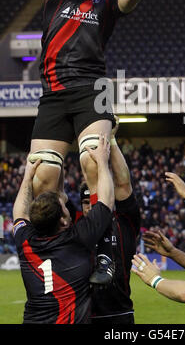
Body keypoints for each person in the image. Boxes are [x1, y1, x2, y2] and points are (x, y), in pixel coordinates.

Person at [28, 0, 168, 283]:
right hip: (53, 93)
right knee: (43, 175)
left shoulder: (105, 4)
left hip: (94, 89)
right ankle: (59, 250)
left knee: (93, 160)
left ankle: (104, 251)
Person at [13, 135, 114, 324]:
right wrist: (102, 161)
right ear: (63, 221)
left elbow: (19, 213)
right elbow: (106, 200)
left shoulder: (26, 242)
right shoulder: (78, 238)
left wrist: (27, 177)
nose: (67, 202)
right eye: (65, 206)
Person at [83, 117, 141, 324]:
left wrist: (112, 139)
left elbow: (123, 184)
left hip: (120, 314)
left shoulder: (124, 222)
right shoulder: (77, 228)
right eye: (87, 202)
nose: (92, 206)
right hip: (84, 315)